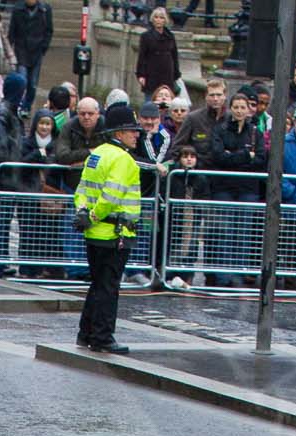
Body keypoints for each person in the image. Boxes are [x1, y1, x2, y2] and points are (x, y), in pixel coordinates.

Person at [72, 104, 142, 355]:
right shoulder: (123, 159)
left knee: (97, 284)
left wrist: (82, 213)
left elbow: (81, 189)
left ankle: (86, 332)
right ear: (119, 132)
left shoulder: (97, 154)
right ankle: (102, 337)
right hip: (114, 233)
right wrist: (92, 216)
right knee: (108, 287)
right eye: (132, 130)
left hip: (94, 233)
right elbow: (110, 197)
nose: (137, 135)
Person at [9, 0, 55, 112]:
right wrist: (10, 50)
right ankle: (16, 105)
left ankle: (27, 106)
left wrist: (44, 46)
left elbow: (49, 30)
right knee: (22, 80)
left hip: (37, 50)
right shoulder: (17, 9)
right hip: (21, 49)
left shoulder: (45, 10)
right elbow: (12, 30)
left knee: (33, 84)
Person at [137, 7, 182, 97]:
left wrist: (176, 74)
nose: (158, 20)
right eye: (156, 17)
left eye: (161, 18)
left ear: (165, 20)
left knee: (166, 100)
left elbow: (174, 56)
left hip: (167, 73)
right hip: (152, 73)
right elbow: (142, 57)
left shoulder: (170, 36)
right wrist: (141, 75)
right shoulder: (146, 36)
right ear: (152, 19)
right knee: (150, 99)